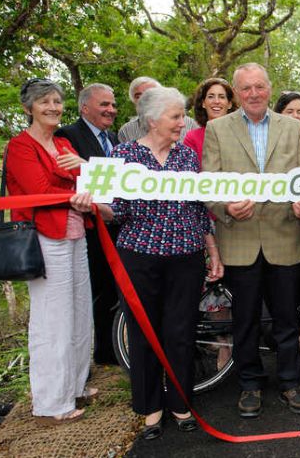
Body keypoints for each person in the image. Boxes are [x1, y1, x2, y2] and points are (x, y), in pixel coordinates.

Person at [76, 87, 223, 439]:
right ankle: (150, 409)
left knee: (180, 332)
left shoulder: (187, 156)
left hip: (186, 257)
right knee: (143, 333)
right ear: (154, 119)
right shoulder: (124, 155)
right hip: (138, 257)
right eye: (176, 117)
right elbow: (116, 210)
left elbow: (198, 208)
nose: (181, 123)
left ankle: (180, 403)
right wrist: (92, 205)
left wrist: (213, 251)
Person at [202, 62, 300, 417]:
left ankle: (290, 382)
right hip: (240, 238)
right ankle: (249, 384)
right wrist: (224, 207)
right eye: (246, 88)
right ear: (238, 92)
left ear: (270, 88)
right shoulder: (218, 129)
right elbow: (208, 183)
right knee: (245, 320)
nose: (254, 93)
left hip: (285, 235)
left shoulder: (295, 128)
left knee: (287, 318)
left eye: (260, 87)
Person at [6, 78, 93, 425]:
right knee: (52, 320)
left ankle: (75, 385)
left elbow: (87, 180)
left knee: (79, 311)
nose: (53, 108)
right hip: (44, 236)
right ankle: (51, 402)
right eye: (45, 102)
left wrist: (82, 170)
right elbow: (39, 189)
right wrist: (73, 175)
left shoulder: (64, 142)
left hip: (75, 233)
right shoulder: (20, 146)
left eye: (57, 101)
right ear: (29, 109)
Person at [54, 83, 121, 366]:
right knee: (97, 291)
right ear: (84, 108)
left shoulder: (115, 139)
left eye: (113, 105)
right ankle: (103, 353)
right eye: (104, 104)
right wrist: (86, 166)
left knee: (114, 289)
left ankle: (112, 347)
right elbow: (66, 174)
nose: (111, 110)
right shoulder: (66, 135)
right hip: (88, 227)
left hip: (116, 224)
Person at [274, 90, 300, 355]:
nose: (295, 117)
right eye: (289, 111)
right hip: (279, 223)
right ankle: (291, 332)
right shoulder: (272, 142)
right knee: (285, 285)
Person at [118, 77, 198, 143]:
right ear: (133, 101)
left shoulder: (191, 125)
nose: (145, 99)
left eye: (151, 95)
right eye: (138, 96)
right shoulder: (126, 131)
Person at [183, 78, 237, 163]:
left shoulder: (240, 135)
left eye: (222, 97)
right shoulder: (192, 138)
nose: (216, 101)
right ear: (203, 103)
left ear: (229, 104)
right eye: (211, 97)